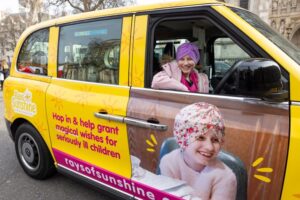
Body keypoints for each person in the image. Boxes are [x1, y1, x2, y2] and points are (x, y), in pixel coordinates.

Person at [159, 102, 237, 200]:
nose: (209, 147)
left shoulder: (225, 177)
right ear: (183, 138)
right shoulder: (169, 162)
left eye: (215, 140)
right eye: (200, 137)